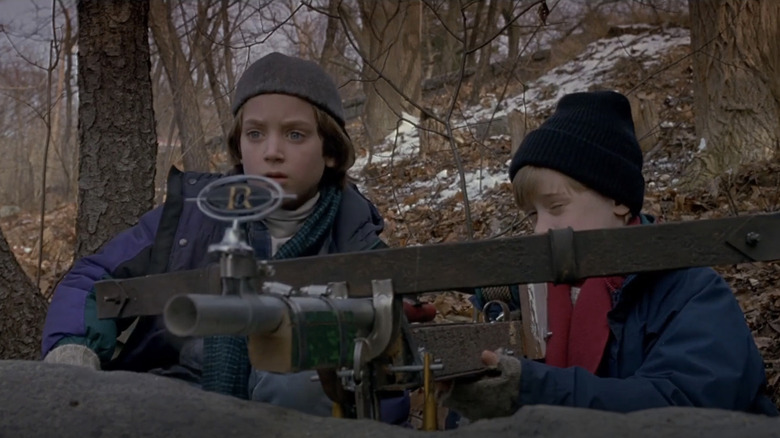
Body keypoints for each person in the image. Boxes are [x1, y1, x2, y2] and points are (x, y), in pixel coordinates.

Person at [41, 52, 409, 424]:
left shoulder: (354, 237)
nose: (272, 152)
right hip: (183, 401)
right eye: (255, 134)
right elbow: (93, 280)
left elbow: (387, 382)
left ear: (330, 150)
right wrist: (73, 351)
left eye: (295, 134)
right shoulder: (189, 217)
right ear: (238, 145)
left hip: (304, 417)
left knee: (296, 382)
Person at [441, 90, 779, 420]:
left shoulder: (691, 292)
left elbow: (683, 409)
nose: (540, 229)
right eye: (532, 215)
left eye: (556, 207)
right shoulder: (521, 296)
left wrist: (530, 388)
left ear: (618, 201)